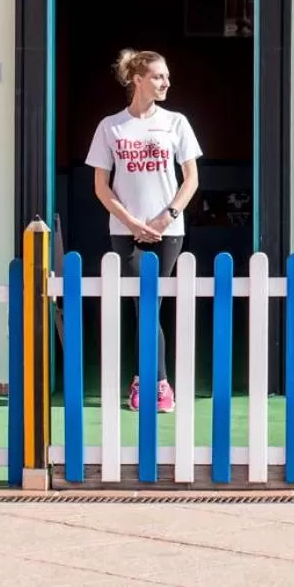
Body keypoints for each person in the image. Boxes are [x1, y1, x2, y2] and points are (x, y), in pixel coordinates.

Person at [85, 49, 201, 414]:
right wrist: (133, 223)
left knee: (152, 304)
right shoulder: (111, 127)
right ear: (137, 79)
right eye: (158, 76)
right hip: (125, 231)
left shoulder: (176, 123)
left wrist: (166, 217)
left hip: (169, 230)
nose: (166, 83)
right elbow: (102, 186)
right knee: (143, 305)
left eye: (167, 77)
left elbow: (192, 178)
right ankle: (153, 383)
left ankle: (151, 382)